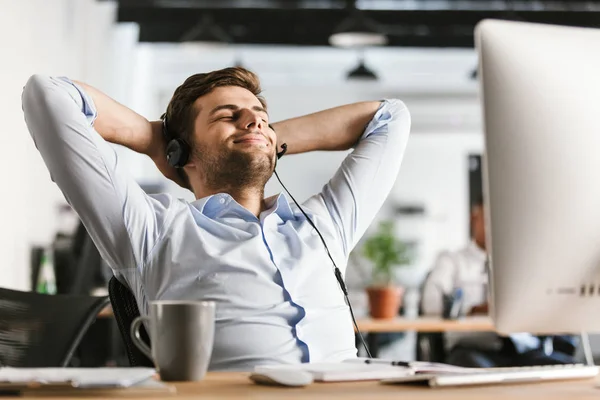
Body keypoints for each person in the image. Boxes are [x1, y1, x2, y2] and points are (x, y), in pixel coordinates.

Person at [21, 68, 411, 371]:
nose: (254, 121)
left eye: (261, 115)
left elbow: (390, 117)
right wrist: (154, 140)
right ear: (181, 152)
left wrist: (264, 138)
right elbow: (47, 94)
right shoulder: (151, 229)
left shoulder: (323, 225)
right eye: (228, 115)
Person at [421, 198, 575, 367]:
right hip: (472, 348)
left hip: (523, 349)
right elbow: (430, 303)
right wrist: (474, 310)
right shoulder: (451, 261)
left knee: (571, 369)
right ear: (474, 218)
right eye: (489, 218)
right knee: (477, 371)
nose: (496, 225)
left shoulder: (521, 262)